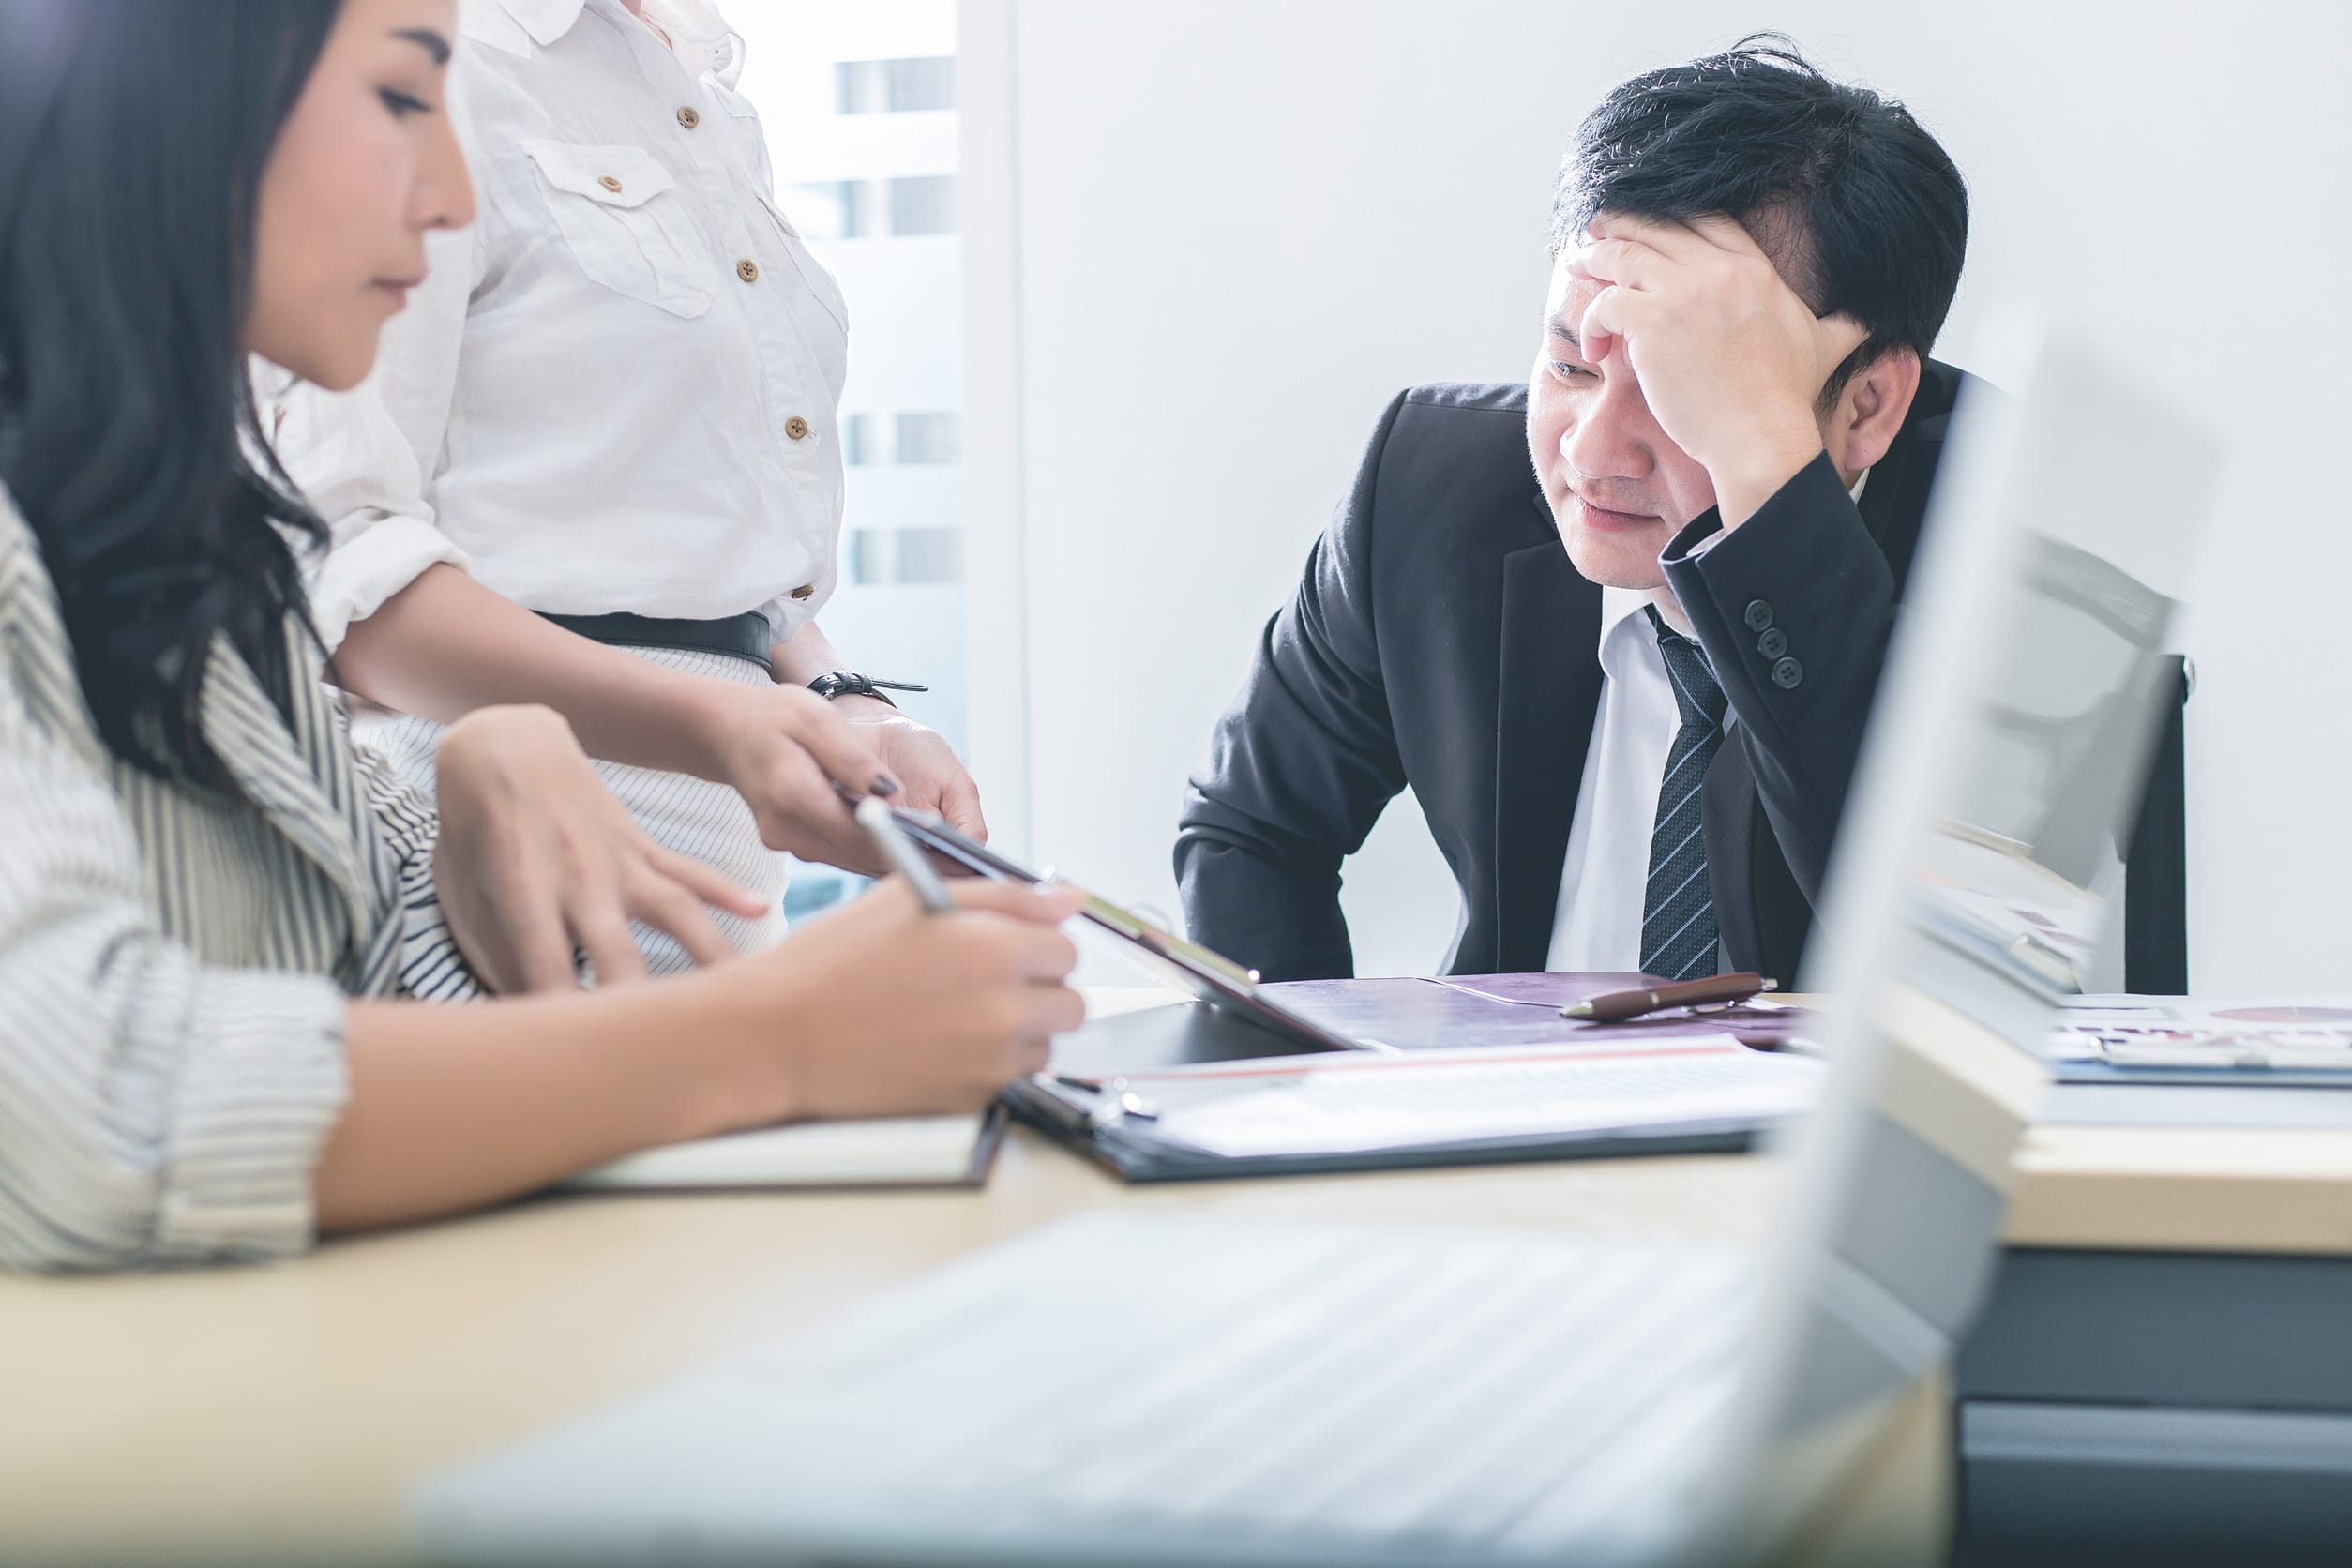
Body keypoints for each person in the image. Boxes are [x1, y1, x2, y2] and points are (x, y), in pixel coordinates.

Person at [0, 0, 1081, 1274]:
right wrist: (769, 1034)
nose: (454, 196)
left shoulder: (206, 556)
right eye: (402, 98)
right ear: (169, 95)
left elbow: (374, 997)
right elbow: (78, 1116)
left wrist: (473, 802)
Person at [1176, 38, 1975, 986]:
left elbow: (1946, 958)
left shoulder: (2002, 539)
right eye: (1571, 366)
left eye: (1682, 389)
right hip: (1510, 1076)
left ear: (1868, 405)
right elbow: (1250, 833)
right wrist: (1324, 1068)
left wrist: (1769, 483)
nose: (1591, 454)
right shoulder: (1430, 486)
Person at [265, 0, 982, 974]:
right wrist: (721, 725)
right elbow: (341, 552)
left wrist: (846, 707)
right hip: (507, 827)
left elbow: (705, 539)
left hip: (731, 846)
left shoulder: (697, 85)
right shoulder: (438, 63)